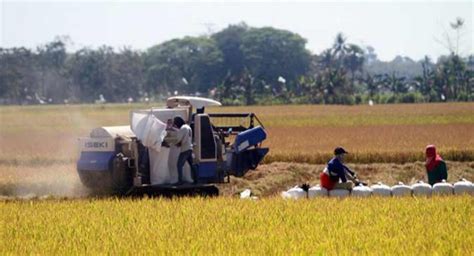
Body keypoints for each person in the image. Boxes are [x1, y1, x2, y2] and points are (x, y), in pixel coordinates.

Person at [173, 116, 196, 185]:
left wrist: (175, 143)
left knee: (179, 165)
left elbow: (178, 139)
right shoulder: (188, 127)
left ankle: (180, 181)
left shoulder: (182, 128)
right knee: (192, 165)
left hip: (184, 149)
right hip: (189, 148)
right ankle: (196, 179)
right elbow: (186, 138)